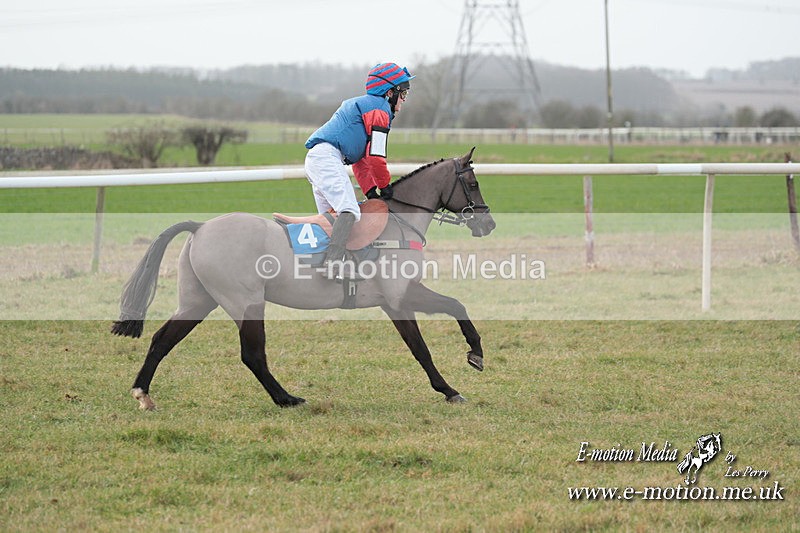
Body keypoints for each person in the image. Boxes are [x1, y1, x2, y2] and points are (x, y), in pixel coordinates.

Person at [304, 62, 414, 270]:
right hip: (327, 158)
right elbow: (376, 158)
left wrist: (371, 191)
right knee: (348, 210)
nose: (404, 99)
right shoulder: (379, 110)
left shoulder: (368, 107)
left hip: (322, 158)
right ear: (390, 92)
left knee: (332, 220)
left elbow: (362, 162)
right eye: (403, 93)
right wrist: (385, 186)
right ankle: (333, 263)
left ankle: (324, 264)